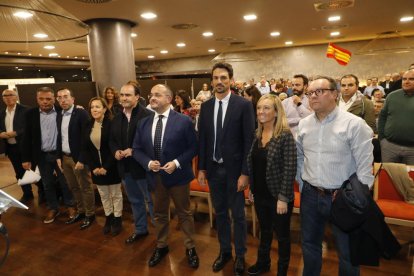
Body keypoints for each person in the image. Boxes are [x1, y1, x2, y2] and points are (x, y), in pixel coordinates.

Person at [297, 76, 374, 276]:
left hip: (342, 198)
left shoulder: (354, 125)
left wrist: (358, 199)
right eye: (309, 93)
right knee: (309, 245)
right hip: (311, 195)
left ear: (334, 94)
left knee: (347, 252)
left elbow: (365, 167)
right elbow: (299, 156)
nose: (312, 96)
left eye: (318, 91)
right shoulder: (304, 124)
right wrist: (301, 182)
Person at [133, 84, 199, 269]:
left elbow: (194, 147)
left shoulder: (183, 121)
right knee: (160, 214)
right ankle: (161, 246)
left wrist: (177, 163)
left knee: (184, 213)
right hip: (155, 177)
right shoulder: (144, 122)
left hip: (178, 176)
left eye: (157, 95)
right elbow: (136, 149)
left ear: (169, 99)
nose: (152, 98)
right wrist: (147, 163)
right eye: (151, 94)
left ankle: (190, 247)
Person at [198, 62, 255, 275]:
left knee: (238, 215)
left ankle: (240, 255)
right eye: (215, 78)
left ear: (231, 80)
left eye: (223, 78)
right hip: (213, 170)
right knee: (220, 213)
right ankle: (224, 252)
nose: (219, 82)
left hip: (235, 173)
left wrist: (245, 173)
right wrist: (202, 168)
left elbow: (249, 141)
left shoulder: (243, 105)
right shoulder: (206, 106)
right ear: (211, 81)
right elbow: (203, 140)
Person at [246, 94, 296, 276]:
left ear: (276, 112)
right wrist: (252, 188)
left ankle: (282, 270)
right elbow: (255, 165)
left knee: (282, 237)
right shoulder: (257, 134)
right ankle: (263, 263)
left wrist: (283, 198)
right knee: (265, 232)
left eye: (266, 108)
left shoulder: (285, 136)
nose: (261, 111)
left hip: (278, 197)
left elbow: (290, 169)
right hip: (260, 195)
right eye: (259, 108)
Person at [21, 87, 75, 224]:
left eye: (48, 99)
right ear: (37, 99)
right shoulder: (30, 114)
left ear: (54, 99)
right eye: (41, 99)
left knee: (65, 182)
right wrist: (26, 158)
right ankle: (53, 208)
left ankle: (70, 206)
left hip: (59, 155)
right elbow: (26, 137)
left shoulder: (61, 111)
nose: (45, 102)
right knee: (47, 184)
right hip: (42, 156)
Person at [109, 82, 154, 244]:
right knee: (135, 200)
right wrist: (115, 151)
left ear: (137, 97)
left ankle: (161, 234)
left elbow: (152, 143)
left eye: (128, 95)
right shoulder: (117, 117)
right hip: (126, 168)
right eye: (121, 95)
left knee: (152, 201)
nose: (124, 98)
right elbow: (112, 140)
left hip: (144, 168)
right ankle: (141, 229)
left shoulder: (148, 115)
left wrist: (134, 151)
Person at [56, 88, 96, 229]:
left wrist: (82, 159)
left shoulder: (81, 113)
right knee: (73, 187)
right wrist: (58, 157)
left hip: (78, 159)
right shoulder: (59, 114)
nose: (63, 100)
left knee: (85, 187)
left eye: (66, 97)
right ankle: (81, 211)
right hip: (64, 158)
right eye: (59, 97)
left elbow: (87, 139)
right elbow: (59, 138)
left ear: (73, 99)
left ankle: (90, 215)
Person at [83, 97, 123, 235]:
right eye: (92, 107)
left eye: (98, 107)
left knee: (115, 194)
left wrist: (106, 167)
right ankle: (109, 217)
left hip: (111, 167)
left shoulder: (112, 124)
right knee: (104, 195)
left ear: (105, 109)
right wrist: (94, 167)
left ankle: (117, 219)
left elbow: (114, 147)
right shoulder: (88, 125)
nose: (94, 109)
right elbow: (86, 149)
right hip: (96, 168)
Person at [0, 89, 34, 203]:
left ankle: (43, 192)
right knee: (19, 172)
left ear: (16, 97)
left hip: (26, 147)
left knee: (33, 170)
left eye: (10, 95)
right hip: (11, 147)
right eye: (5, 95)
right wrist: (1, 133)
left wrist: (16, 133)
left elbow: (31, 127)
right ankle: (27, 193)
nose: (8, 97)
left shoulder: (26, 110)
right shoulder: (1, 113)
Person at [378, 69, 414, 165]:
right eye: (404, 79)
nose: (406, 81)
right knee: (388, 177)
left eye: (411, 79)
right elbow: (382, 117)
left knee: (410, 179)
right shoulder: (392, 96)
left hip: (412, 151)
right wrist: (382, 139)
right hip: (389, 147)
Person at [282, 74, 313, 138]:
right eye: (293, 85)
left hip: (306, 138)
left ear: (305, 86)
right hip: (288, 139)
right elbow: (282, 121)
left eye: (297, 85)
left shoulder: (311, 102)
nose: (294, 87)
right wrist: (301, 120)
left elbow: (311, 120)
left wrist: (299, 104)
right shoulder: (285, 102)